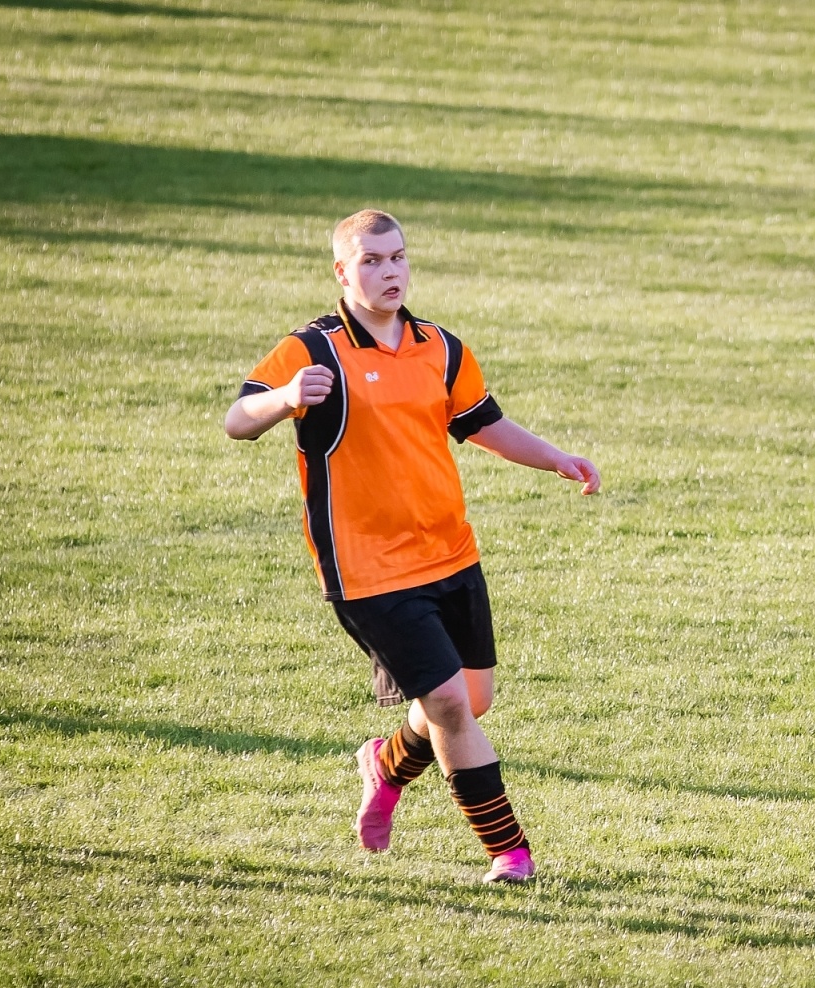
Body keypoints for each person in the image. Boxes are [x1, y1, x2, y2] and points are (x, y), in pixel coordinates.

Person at [224, 209, 600, 884]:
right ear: (342, 272)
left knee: (469, 701)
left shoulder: (439, 347)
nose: (389, 271)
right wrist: (283, 398)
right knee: (449, 704)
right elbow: (237, 420)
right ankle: (509, 852)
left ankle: (385, 764)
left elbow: (482, 423)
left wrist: (555, 459)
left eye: (397, 257)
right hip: (366, 567)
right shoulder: (313, 350)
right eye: (371, 261)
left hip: (449, 550)